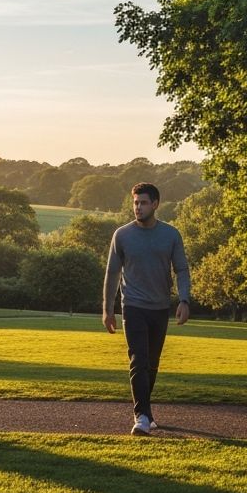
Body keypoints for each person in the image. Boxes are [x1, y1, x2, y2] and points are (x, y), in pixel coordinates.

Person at [102, 183, 191, 436]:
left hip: (160, 307)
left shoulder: (171, 235)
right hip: (133, 306)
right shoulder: (122, 235)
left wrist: (184, 300)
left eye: (142, 203)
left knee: (152, 363)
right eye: (135, 203)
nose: (137, 207)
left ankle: (146, 411)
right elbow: (112, 273)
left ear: (155, 204)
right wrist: (107, 309)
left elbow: (181, 270)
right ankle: (141, 416)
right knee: (138, 360)